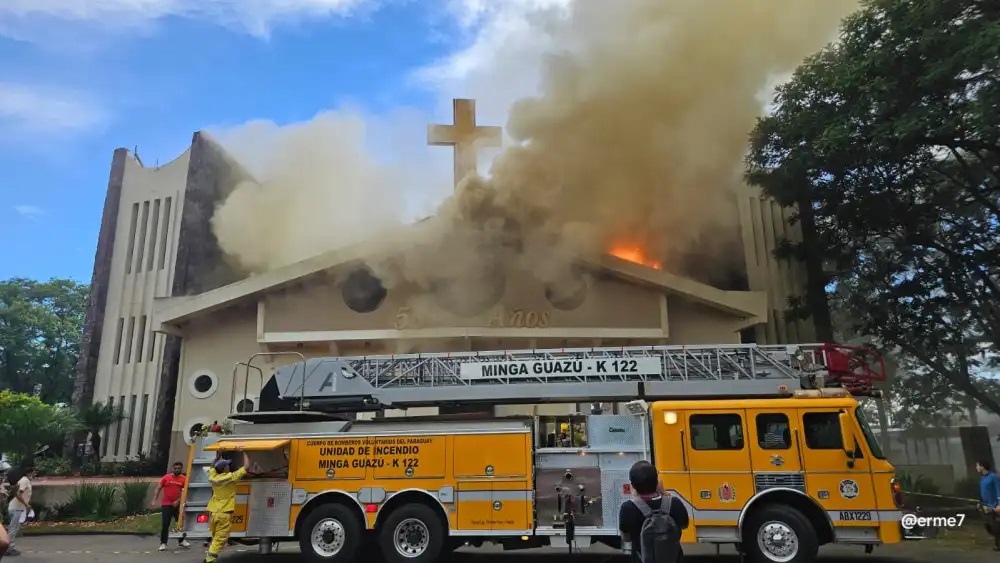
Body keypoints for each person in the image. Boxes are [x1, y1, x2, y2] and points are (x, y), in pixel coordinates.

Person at [619, 460, 689, 563]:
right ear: (658, 482)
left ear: (632, 486)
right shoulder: (674, 503)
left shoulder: (628, 508)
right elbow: (684, 525)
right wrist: (664, 493)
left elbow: (626, 538)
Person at [205, 452, 251, 563]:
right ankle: (209, 560)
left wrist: (216, 457)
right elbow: (246, 467)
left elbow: (212, 467)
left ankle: (210, 557)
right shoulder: (230, 477)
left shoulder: (213, 477)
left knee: (215, 537)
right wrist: (244, 452)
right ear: (224, 468)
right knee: (220, 539)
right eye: (227, 465)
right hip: (224, 513)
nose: (229, 466)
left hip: (213, 512)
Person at [152, 461, 192, 551]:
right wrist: (154, 500)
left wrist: (178, 501)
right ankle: (163, 543)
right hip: (166, 504)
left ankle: (181, 540)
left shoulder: (184, 479)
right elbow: (158, 488)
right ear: (172, 468)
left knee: (180, 523)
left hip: (178, 505)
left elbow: (185, 492)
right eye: (175, 468)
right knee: (165, 524)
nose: (177, 470)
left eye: (179, 468)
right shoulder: (166, 478)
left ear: (181, 469)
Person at [4, 464, 35, 557]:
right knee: (13, 528)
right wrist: (27, 504)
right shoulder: (24, 480)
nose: (35, 475)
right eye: (34, 473)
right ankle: (8, 548)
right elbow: (18, 494)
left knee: (14, 528)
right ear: (29, 473)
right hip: (16, 507)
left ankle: (9, 547)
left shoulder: (26, 481)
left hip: (19, 508)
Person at [977, 460, 1000, 551]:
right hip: (985, 506)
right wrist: (980, 503)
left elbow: (999, 490)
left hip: (994, 506)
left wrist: (999, 505)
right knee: (988, 525)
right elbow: (983, 492)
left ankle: (997, 545)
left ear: (982, 467)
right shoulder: (982, 478)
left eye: (978, 466)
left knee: (995, 526)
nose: (977, 468)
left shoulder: (993, 477)